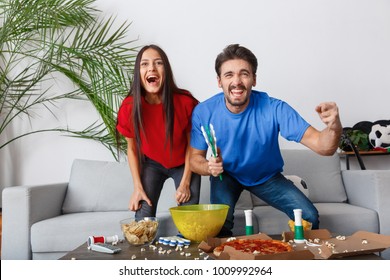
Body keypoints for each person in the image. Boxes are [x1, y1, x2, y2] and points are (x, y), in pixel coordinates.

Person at [189, 44, 342, 236]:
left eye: (244, 74)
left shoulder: (275, 108)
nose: (237, 81)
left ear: (254, 79)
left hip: (266, 177)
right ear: (219, 81)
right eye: (229, 75)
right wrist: (208, 167)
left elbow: (324, 147)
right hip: (226, 174)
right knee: (218, 226)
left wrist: (334, 127)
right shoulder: (204, 111)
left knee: (309, 217)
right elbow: (194, 159)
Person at [116, 44, 201, 219]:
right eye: (144, 64)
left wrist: (185, 182)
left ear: (166, 70)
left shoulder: (185, 102)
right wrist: (137, 188)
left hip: (184, 163)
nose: (151, 68)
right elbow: (131, 149)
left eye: (158, 63)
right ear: (138, 73)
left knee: (189, 223)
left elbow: (193, 146)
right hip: (152, 164)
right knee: (142, 223)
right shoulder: (129, 107)